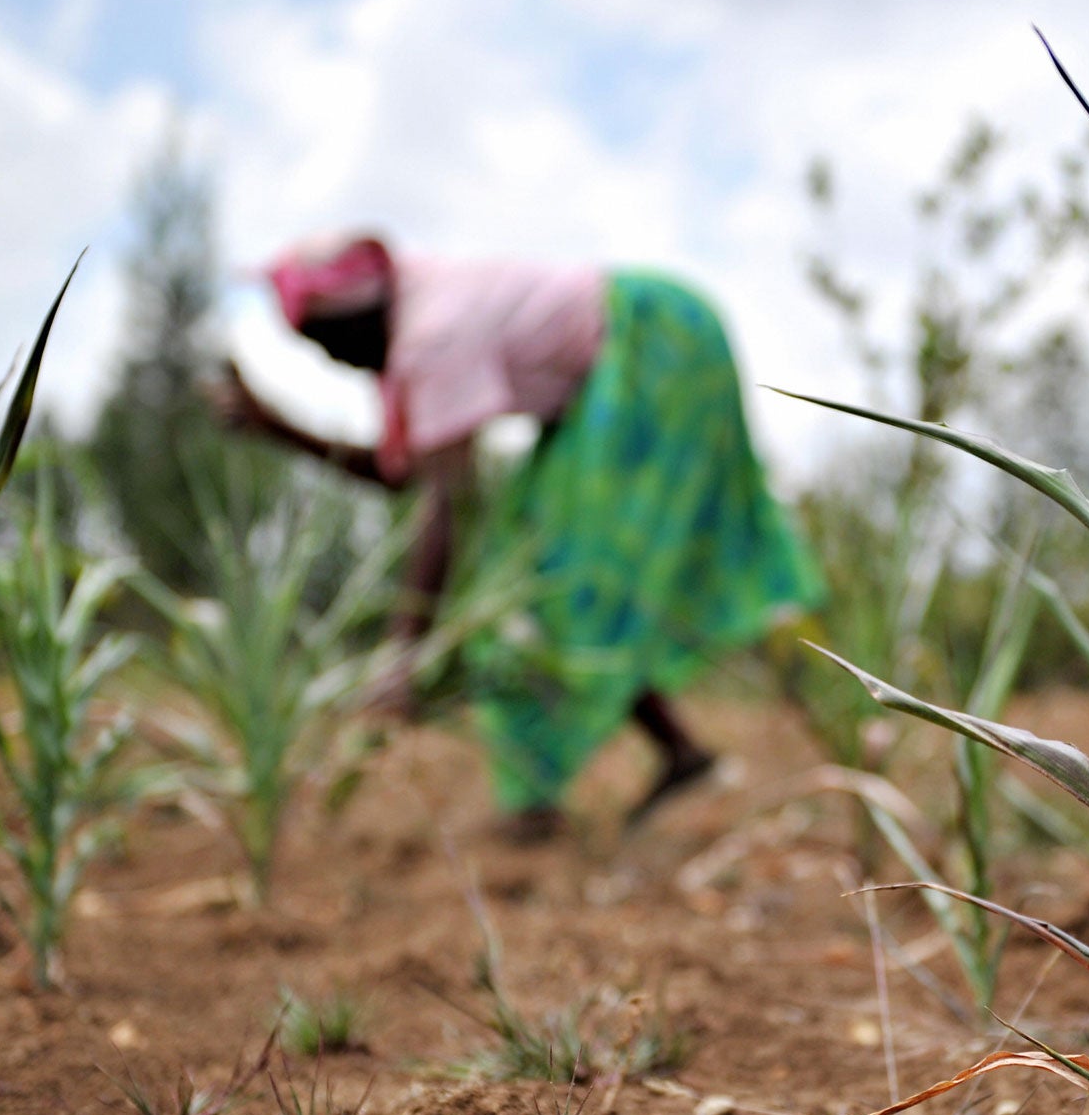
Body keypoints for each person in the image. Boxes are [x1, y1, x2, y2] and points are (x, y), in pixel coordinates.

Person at [210, 234, 820, 836]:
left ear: (362, 313)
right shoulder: (413, 309)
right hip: (606, 378)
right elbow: (407, 475)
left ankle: (818, 693)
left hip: (659, 345)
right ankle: (667, 756)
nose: (331, 361)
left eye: (329, 341)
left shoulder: (434, 332)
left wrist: (404, 657)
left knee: (567, 577)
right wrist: (276, 428)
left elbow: (442, 501)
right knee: (538, 579)